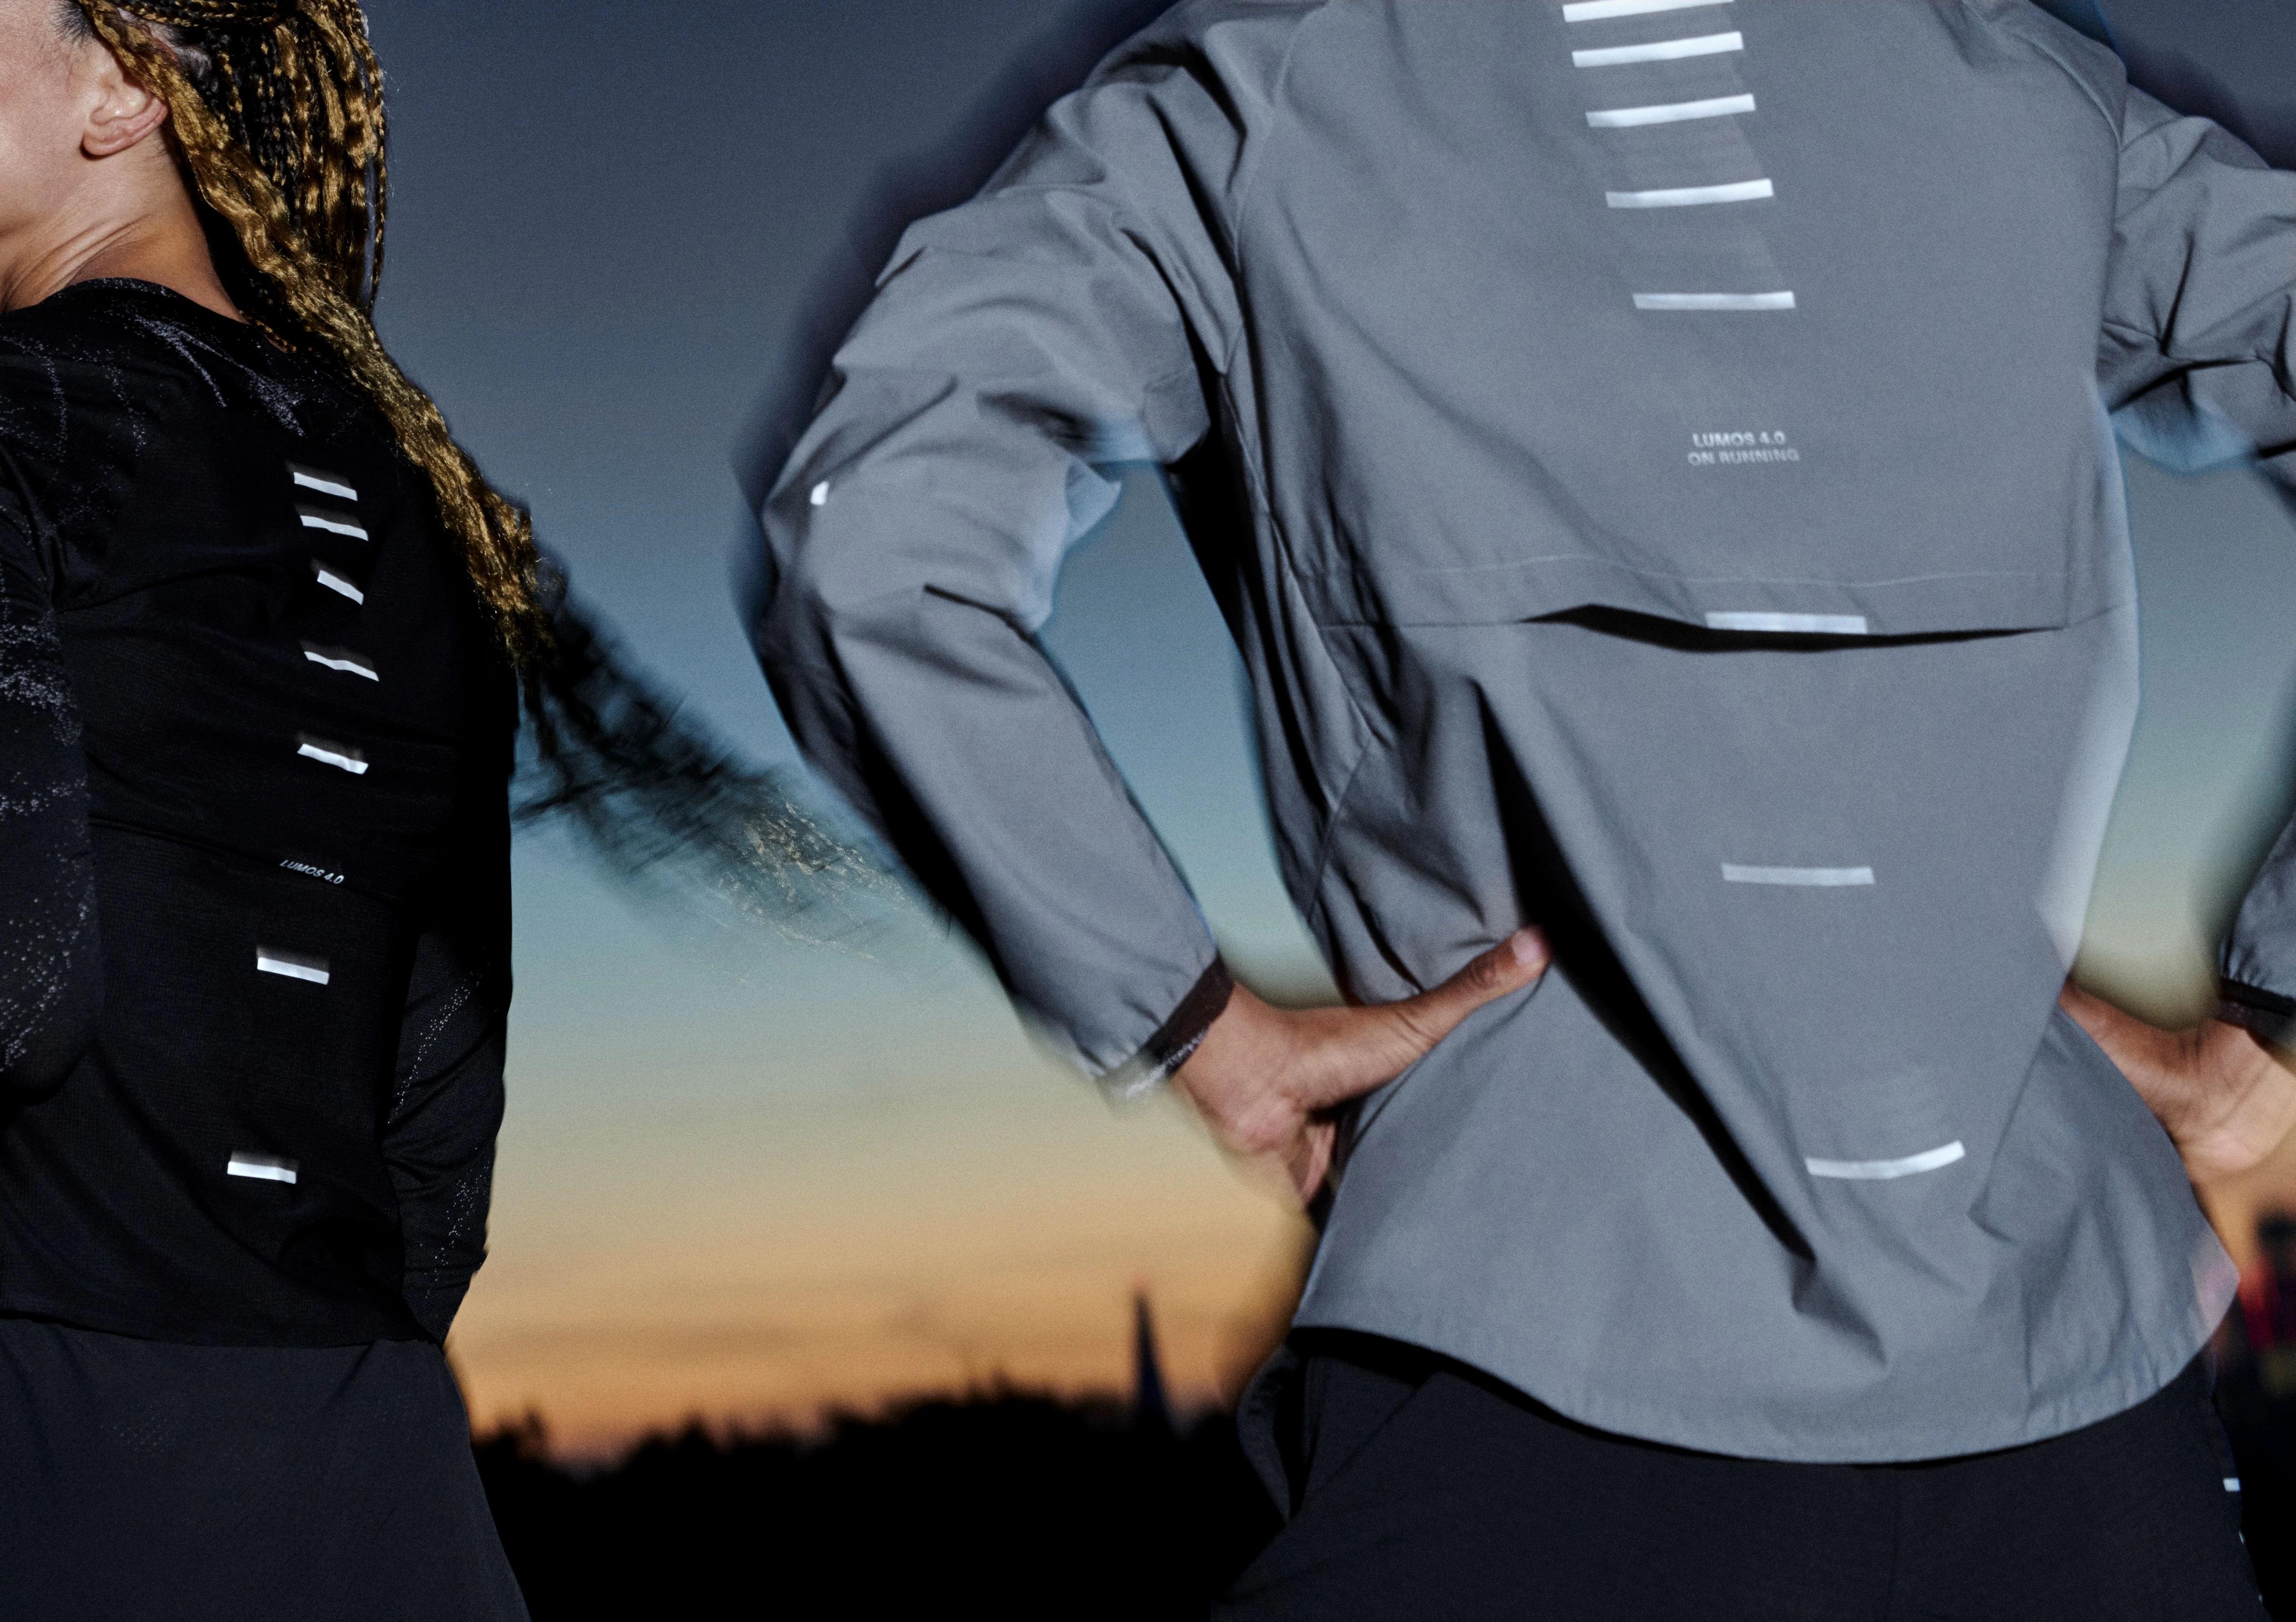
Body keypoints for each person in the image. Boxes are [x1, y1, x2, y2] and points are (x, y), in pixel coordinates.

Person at [754, 1, 2296, 1615]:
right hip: (2089, 1427)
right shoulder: (2016, 84)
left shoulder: (1264, 91)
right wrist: (2263, 1019)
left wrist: (1195, 1025)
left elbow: (868, 541)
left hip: (1528, 1392)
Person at [0, 1, 859, 1616]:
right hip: (371, 1481)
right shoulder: (438, 509)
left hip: (3, 1471)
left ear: (125, 87)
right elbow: (438, 1127)